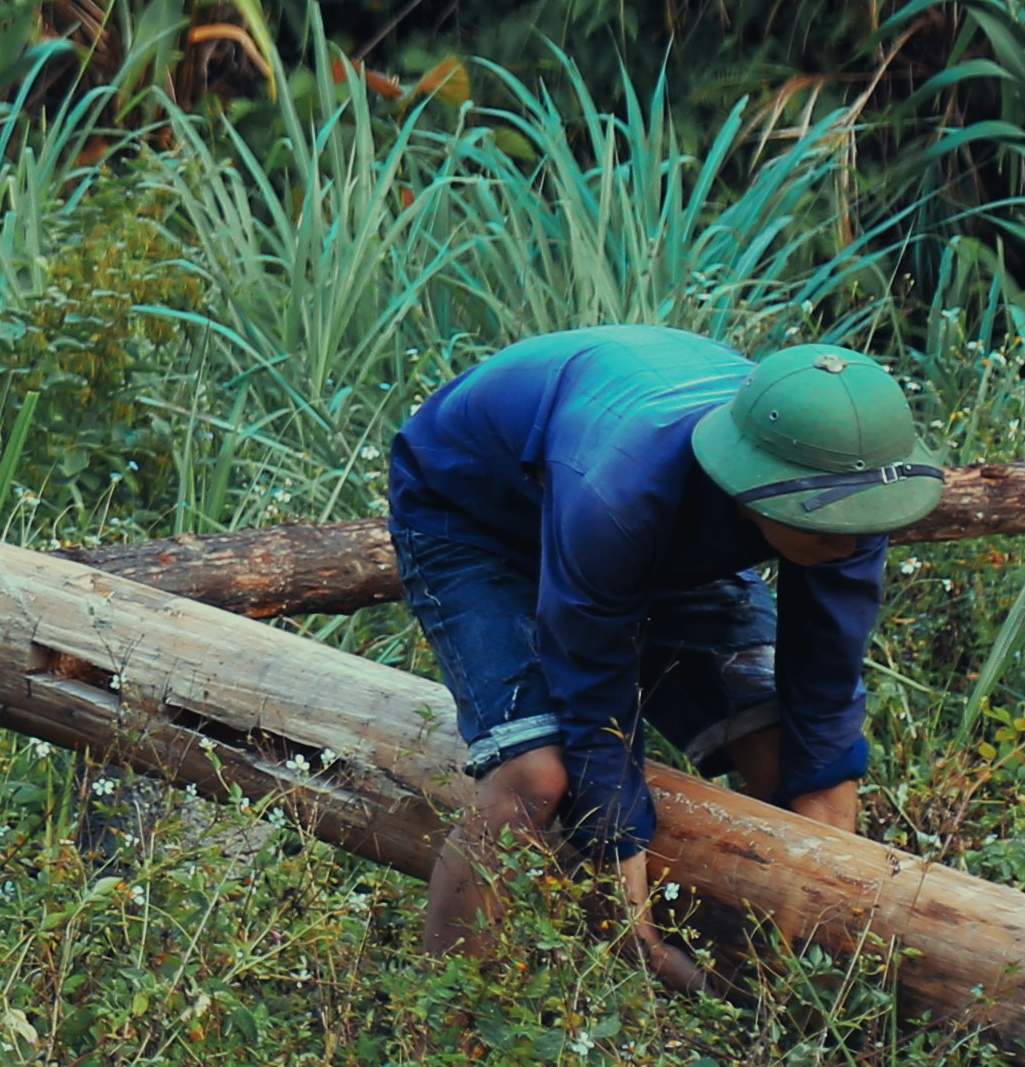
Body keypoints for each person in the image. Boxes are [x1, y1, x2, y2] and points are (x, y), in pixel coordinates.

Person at [387, 326, 944, 989]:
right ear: (752, 486)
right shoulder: (618, 495)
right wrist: (637, 936)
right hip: (474, 511)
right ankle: (441, 1038)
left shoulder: (848, 485)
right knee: (537, 778)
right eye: (824, 519)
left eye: (863, 520)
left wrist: (837, 934)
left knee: (783, 747)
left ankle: (786, 985)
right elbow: (596, 695)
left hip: (661, 510)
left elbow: (825, 693)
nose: (851, 539)